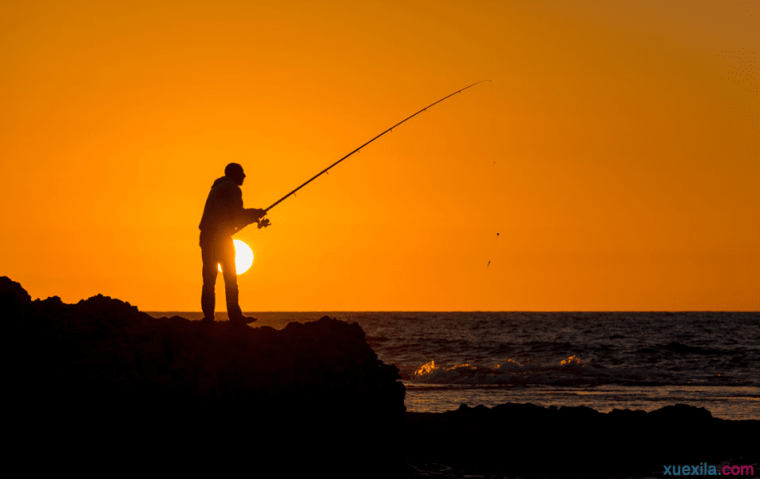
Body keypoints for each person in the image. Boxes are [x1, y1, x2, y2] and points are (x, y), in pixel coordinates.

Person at [199, 163, 267, 323]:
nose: (244, 176)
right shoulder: (232, 188)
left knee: (209, 280)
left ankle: (208, 318)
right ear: (234, 174)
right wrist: (255, 213)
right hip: (220, 239)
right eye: (242, 173)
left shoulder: (217, 188)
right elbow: (236, 215)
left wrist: (253, 216)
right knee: (230, 278)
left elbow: (229, 217)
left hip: (207, 237)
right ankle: (235, 317)